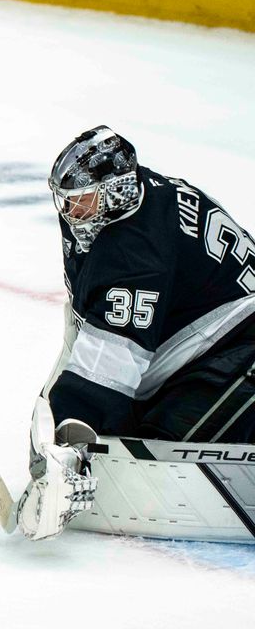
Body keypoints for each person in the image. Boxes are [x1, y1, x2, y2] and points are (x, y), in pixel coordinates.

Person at [18, 125, 255, 540]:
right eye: (67, 200)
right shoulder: (124, 208)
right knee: (121, 426)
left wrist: (70, 432)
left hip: (242, 346)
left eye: (83, 201)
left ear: (117, 192)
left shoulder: (135, 251)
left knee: (158, 447)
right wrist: (62, 415)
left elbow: (107, 366)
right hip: (209, 343)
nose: (71, 211)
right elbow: (91, 319)